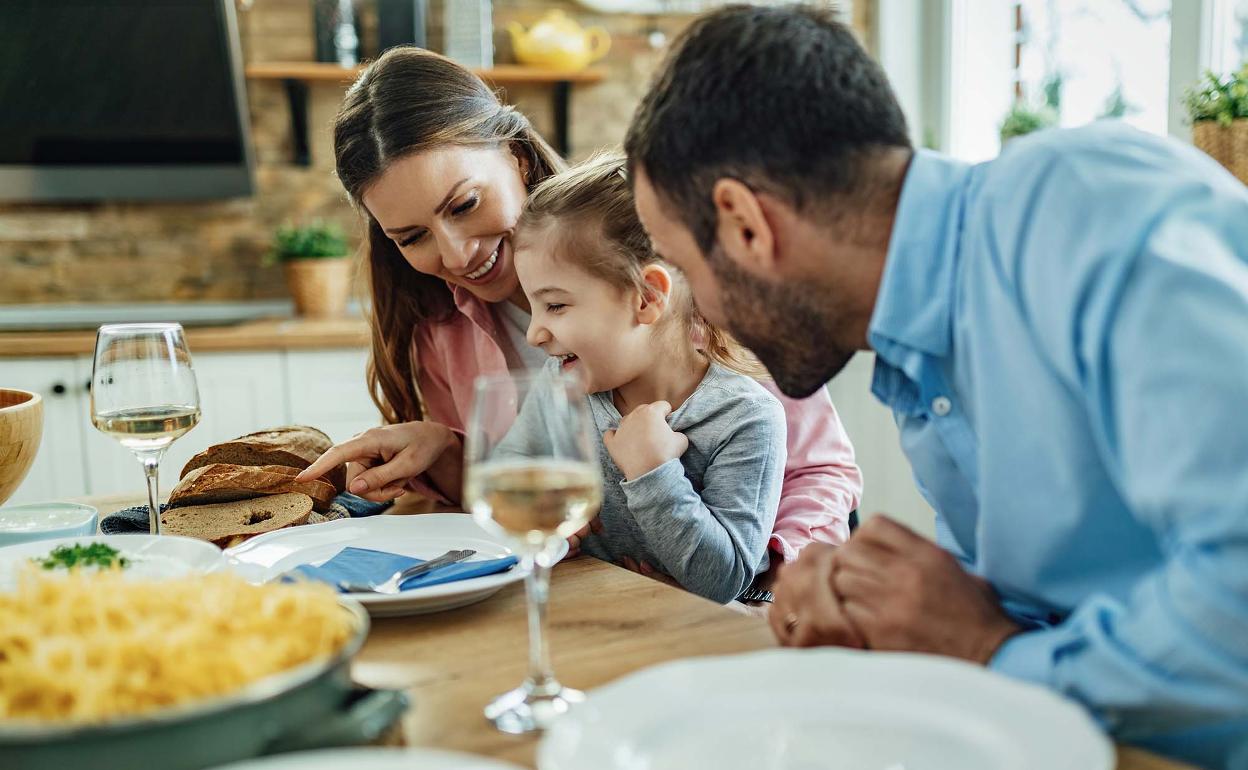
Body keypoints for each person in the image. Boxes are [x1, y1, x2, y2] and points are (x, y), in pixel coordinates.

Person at [623, 5, 1248, 768]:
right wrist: (881, 614)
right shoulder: (911, 347)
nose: (695, 311)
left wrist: (987, 652)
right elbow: (1021, 611)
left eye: (683, 269)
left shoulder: (1089, 212)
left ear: (747, 224)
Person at [297, 46, 862, 584]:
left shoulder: (695, 272)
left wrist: (763, 594)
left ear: (516, 157)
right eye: (412, 236)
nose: (454, 254)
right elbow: (521, 498)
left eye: (465, 204)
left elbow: (820, 473)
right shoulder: (435, 332)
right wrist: (447, 452)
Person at [494, 153, 785, 603]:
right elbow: (507, 470)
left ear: (646, 298)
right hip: (595, 620)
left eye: (555, 305)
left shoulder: (744, 418)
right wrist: (539, 515)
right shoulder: (562, 384)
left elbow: (723, 580)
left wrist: (654, 472)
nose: (534, 333)